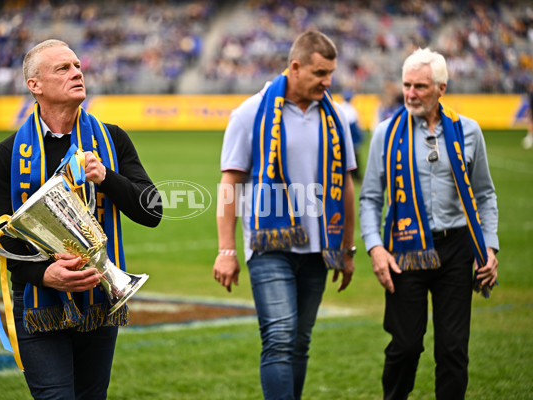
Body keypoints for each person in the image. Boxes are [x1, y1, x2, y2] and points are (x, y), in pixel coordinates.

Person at [0, 39, 162, 399]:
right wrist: (44, 274)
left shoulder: (112, 139)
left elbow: (152, 211)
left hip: (100, 296)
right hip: (38, 301)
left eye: (78, 66)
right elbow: (1, 238)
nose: (77, 73)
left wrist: (107, 177)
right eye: (63, 68)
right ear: (34, 85)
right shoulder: (7, 153)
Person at [213, 30, 357, 400]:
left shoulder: (335, 116)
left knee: (299, 341)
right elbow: (230, 183)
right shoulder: (250, 113)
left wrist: (348, 247)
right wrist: (226, 251)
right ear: (295, 67)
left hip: (319, 249)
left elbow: (345, 185)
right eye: (320, 73)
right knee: (279, 337)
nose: (328, 82)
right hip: (268, 247)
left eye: (330, 74)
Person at [359, 48, 499, 400]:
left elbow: (485, 194)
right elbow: (371, 199)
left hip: (456, 249)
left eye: (420, 86)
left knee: (453, 350)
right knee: (405, 347)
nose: (410, 93)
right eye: (406, 85)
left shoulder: (468, 131)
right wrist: (375, 248)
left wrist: (490, 246)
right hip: (405, 250)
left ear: (441, 88)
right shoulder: (386, 134)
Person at [339, 88, 364, 180]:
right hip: (351, 133)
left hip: (345, 132)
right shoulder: (350, 109)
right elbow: (354, 124)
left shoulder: (341, 107)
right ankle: (356, 175)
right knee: (354, 154)